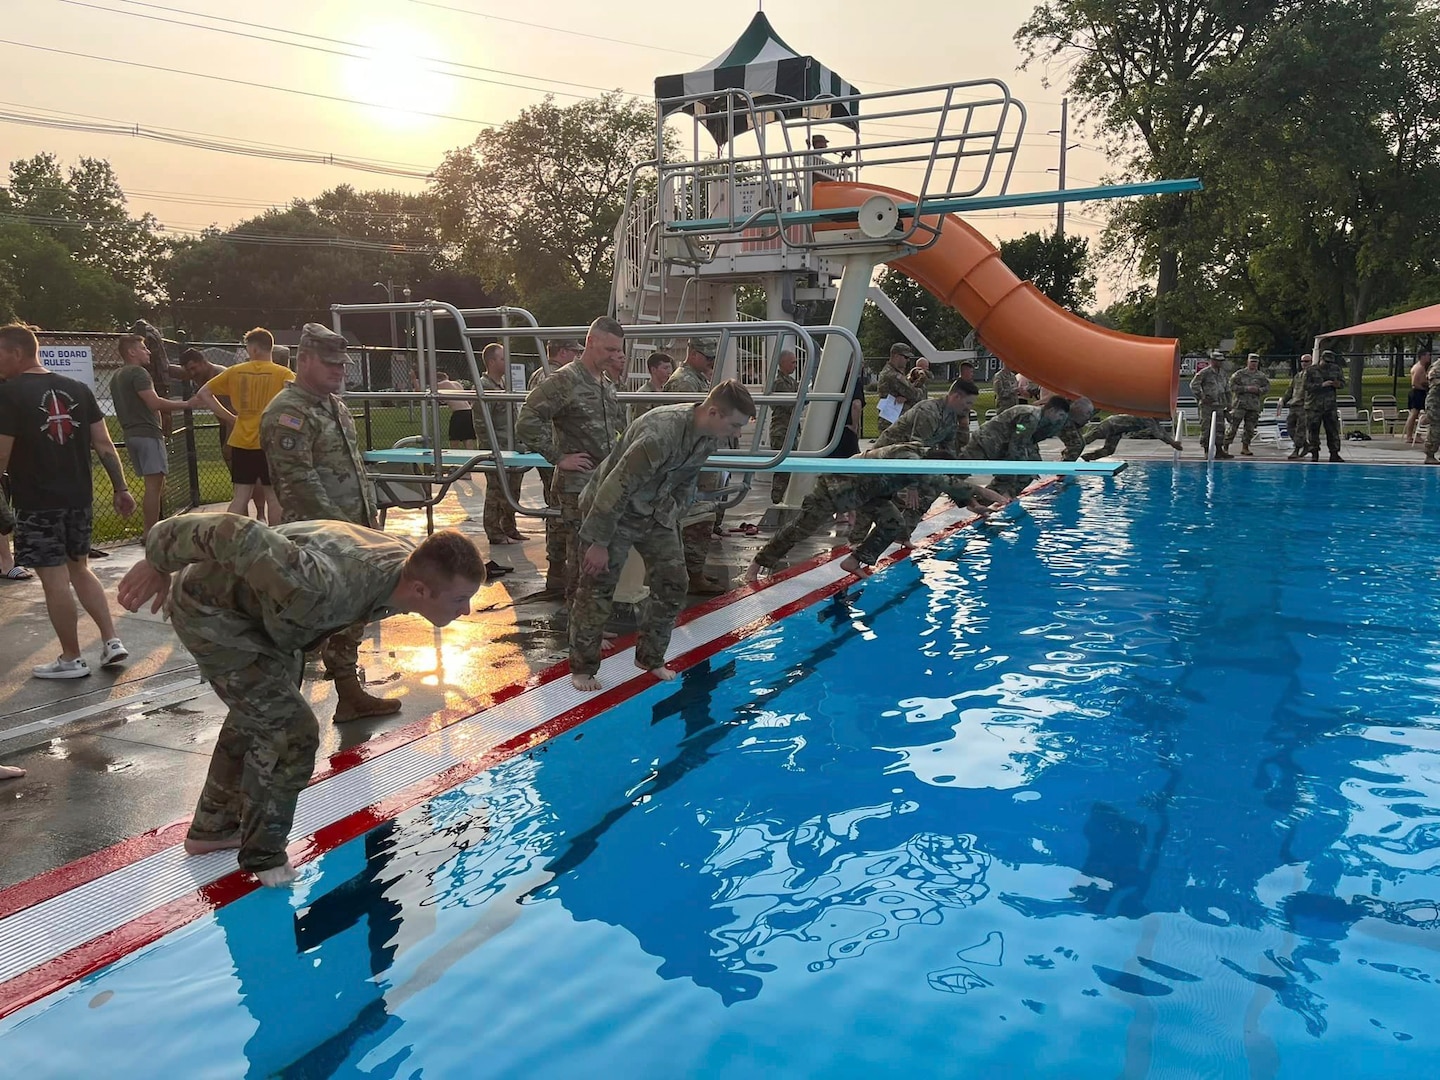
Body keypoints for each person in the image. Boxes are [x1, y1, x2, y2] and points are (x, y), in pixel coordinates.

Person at [117, 515, 486, 886]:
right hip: (211, 612)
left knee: (262, 711)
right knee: (294, 731)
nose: (465, 610)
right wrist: (157, 560)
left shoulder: (404, 570)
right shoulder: (321, 583)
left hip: (266, 619)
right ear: (421, 591)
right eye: (460, 599)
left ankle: (212, 828)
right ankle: (264, 858)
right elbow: (233, 532)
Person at [569, 381, 756, 692]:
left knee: (673, 582)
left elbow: (686, 480)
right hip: (612, 511)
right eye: (734, 425)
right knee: (597, 587)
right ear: (713, 412)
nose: (737, 433)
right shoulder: (660, 435)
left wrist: (674, 518)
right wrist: (598, 542)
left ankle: (650, 657)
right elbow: (615, 487)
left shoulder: (708, 437)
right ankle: (583, 668)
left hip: (654, 511)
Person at [259, 322, 402, 724]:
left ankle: (349, 692)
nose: (338, 372)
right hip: (319, 538)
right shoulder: (288, 412)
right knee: (306, 621)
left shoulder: (332, 406)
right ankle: (278, 706)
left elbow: (351, 470)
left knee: (349, 616)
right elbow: (297, 482)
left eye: (342, 365)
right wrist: (344, 533)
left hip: (350, 531)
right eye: (329, 364)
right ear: (303, 359)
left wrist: (364, 525)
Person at [0, 323, 135, 678]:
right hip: (79, 497)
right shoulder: (77, 388)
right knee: (80, 567)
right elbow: (104, 445)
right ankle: (111, 640)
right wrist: (121, 488)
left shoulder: (9, 393)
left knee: (54, 578)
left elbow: (1, 455)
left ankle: (71, 658)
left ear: (16, 352)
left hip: (37, 501)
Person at [744, 442, 1007, 583]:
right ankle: (758, 563)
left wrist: (976, 507)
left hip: (870, 493)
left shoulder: (920, 458)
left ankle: (855, 561)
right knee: (802, 529)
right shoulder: (911, 459)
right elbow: (947, 483)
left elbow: (947, 486)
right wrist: (988, 493)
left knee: (893, 523)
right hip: (837, 486)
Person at [516, 318, 625, 605]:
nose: (614, 356)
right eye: (609, 349)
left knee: (599, 557)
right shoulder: (565, 380)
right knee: (581, 558)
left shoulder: (604, 382)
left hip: (602, 481)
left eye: (618, 350)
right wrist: (558, 457)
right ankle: (580, 628)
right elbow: (527, 421)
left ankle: (591, 622)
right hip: (577, 485)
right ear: (590, 342)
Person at [847, 379, 978, 544]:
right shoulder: (929, 411)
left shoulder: (951, 417)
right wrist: (912, 487)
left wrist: (958, 489)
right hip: (887, 457)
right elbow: (914, 446)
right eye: (968, 403)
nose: (969, 408)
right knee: (874, 495)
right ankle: (855, 542)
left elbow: (948, 453)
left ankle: (903, 535)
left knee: (929, 492)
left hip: (908, 460)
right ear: (956, 396)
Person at [195, 327, 294, 521]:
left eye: (248, 347)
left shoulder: (235, 372)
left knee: (241, 496)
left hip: (241, 440)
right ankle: (276, 541)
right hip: (270, 441)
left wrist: (230, 418)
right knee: (273, 497)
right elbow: (298, 400)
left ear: (255, 349)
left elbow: (203, 393)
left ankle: (232, 540)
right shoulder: (284, 373)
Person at [110, 333, 202, 537]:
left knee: (155, 484)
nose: (148, 351)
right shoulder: (139, 374)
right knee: (154, 486)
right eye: (143, 348)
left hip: (131, 434)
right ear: (131, 352)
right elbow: (154, 403)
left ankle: (153, 529)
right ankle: (150, 533)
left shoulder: (117, 376)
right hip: (147, 434)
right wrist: (188, 403)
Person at [663, 338, 728, 594]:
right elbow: (686, 423)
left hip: (697, 456)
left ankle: (694, 570)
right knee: (693, 517)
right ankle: (690, 574)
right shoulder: (684, 382)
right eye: (707, 356)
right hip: (690, 459)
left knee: (702, 515)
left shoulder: (696, 379)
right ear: (693, 353)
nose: (711, 361)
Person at [529, 339, 582, 599]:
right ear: (563, 352)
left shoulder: (543, 373)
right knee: (559, 514)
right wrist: (556, 454)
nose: (577, 356)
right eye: (574, 351)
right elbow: (536, 418)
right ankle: (558, 570)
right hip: (558, 455)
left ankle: (558, 571)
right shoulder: (553, 376)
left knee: (558, 513)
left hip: (554, 454)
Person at [476, 342, 528, 545]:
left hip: (511, 447)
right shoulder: (485, 387)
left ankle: (509, 526)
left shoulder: (504, 384)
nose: (506, 362)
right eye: (502, 358)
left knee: (512, 490)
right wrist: (491, 448)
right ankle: (494, 531)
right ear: (491, 362)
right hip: (496, 447)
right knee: (496, 491)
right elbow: (481, 423)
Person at [174, 348, 235, 466]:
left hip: (236, 427)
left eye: (193, 368)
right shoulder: (200, 374)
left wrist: (228, 444)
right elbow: (175, 372)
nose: (192, 374)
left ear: (203, 362)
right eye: (188, 370)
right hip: (225, 425)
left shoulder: (219, 377)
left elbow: (233, 414)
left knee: (242, 473)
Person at [768, 350, 801, 504]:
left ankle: (783, 498)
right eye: (792, 362)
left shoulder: (791, 381)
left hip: (790, 429)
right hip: (781, 430)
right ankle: (777, 499)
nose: (795, 365)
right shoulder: (779, 383)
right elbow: (791, 404)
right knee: (783, 468)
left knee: (790, 466)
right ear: (784, 363)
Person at [1303, 349, 1347, 462]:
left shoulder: (1336, 369)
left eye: (1330, 362)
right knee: (1313, 430)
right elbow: (1306, 386)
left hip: (1329, 405)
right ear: (1321, 359)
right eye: (1326, 362)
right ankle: (1314, 453)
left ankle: (1334, 453)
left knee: (1332, 430)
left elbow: (1343, 383)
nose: (1328, 365)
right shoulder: (1311, 370)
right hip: (1314, 406)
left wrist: (1338, 384)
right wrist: (1321, 385)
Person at [1224, 354, 1271, 456]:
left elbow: (1267, 387)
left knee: (1249, 428)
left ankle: (1245, 447)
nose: (1253, 364)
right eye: (1252, 362)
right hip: (1240, 404)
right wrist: (1245, 389)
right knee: (1233, 427)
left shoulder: (1261, 376)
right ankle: (1226, 446)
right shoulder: (1239, 374)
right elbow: (1231, 386)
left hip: (1253, 405)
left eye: (1255, 362)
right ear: (1247, 362)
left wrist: (1259, 390)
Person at [1080, 414, 1184, 459]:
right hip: (1110, 424)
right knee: (1087, 439)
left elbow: (1161, 431)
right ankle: (1071, 448)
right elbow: (1159, 434)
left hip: (1117, 430)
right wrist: (1173, 443)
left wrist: (1172, 442)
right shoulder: (1148, 418)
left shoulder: (1153, 420)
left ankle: (1087, 457)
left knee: (1109, 450)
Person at [875, 343, 925, 434]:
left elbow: (908, 392)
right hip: (894, 423)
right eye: (906, 357)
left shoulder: (891, 371)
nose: (908, 360)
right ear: (896, 356)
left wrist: (906, 397)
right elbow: (915, 395)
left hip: (892, 420)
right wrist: (919, 391)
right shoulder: (893, 375)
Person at [1189, 355, 1232, 458]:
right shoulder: (1205, 372)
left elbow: (1227, 389)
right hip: (1208, 406)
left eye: (1221, 361)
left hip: (1220, 404)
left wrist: (1229, 403)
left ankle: (1219, 450)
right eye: (1217, 361)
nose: (1220, 363)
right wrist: (1202, 397)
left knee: (1220, 427)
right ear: (1212, 361)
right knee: (1206, 427)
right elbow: (1194, 385)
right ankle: (1206, 450)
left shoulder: (1222, 373)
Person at [436, 367, 476, 450]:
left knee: (454, 441)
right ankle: (472, 459)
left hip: (459, 413)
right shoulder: (457, 384)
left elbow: (421, 391)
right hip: (468, 411)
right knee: (468, 439)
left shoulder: (441, 384)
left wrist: (414, 380)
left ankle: (454, 460)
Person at [1280, 355, 1311, 460]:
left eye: (1307, 361)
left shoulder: (1313, 375)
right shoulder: (1298, 376)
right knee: (1289, 427)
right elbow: (1290, 390)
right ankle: (1306, 445)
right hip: (1294, 405)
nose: (1304, 363)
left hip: (1305, 405)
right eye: (1302, 361)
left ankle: (1296, 450)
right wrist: (1283, 400)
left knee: (1300, 429)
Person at [631, 351, 676, 424]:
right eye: (665, 368)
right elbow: (639, 423)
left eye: (669, 368)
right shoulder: (643, 394)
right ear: (653, 370)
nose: (669, 372)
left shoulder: (667, 391)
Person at [1404, 348, 1431, 445]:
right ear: (1422, 356)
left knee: (1420, 414)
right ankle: (1409, 436)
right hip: (1417, 392)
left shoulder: (1422, 367)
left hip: (1419, 392)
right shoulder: (1419, 367)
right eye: (1428, 355)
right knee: (1414, 414)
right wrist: (1425, 389)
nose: (1429, 357)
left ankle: (1417, 435)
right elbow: (1414, 383)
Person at [1423, 351, 1440, 465]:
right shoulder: (1437, 367)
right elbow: (1434, 382)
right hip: (1435, 403)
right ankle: (1430, 455)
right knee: (1435, 427)